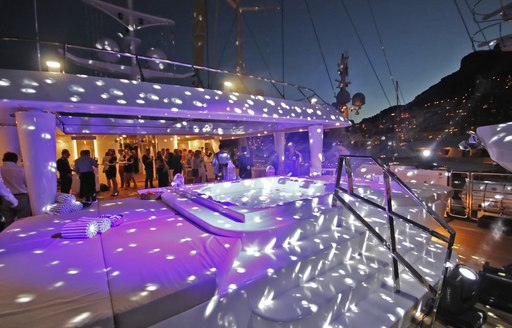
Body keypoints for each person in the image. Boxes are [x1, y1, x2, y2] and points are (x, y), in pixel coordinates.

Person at [0, 152, 30, 227]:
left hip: (4, 199)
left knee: (8, 223)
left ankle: (8, 238)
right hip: (21, 197)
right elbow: (27, 183)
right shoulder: (21, 170)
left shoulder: (1, 169)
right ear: (15, 160)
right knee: (24, 222)